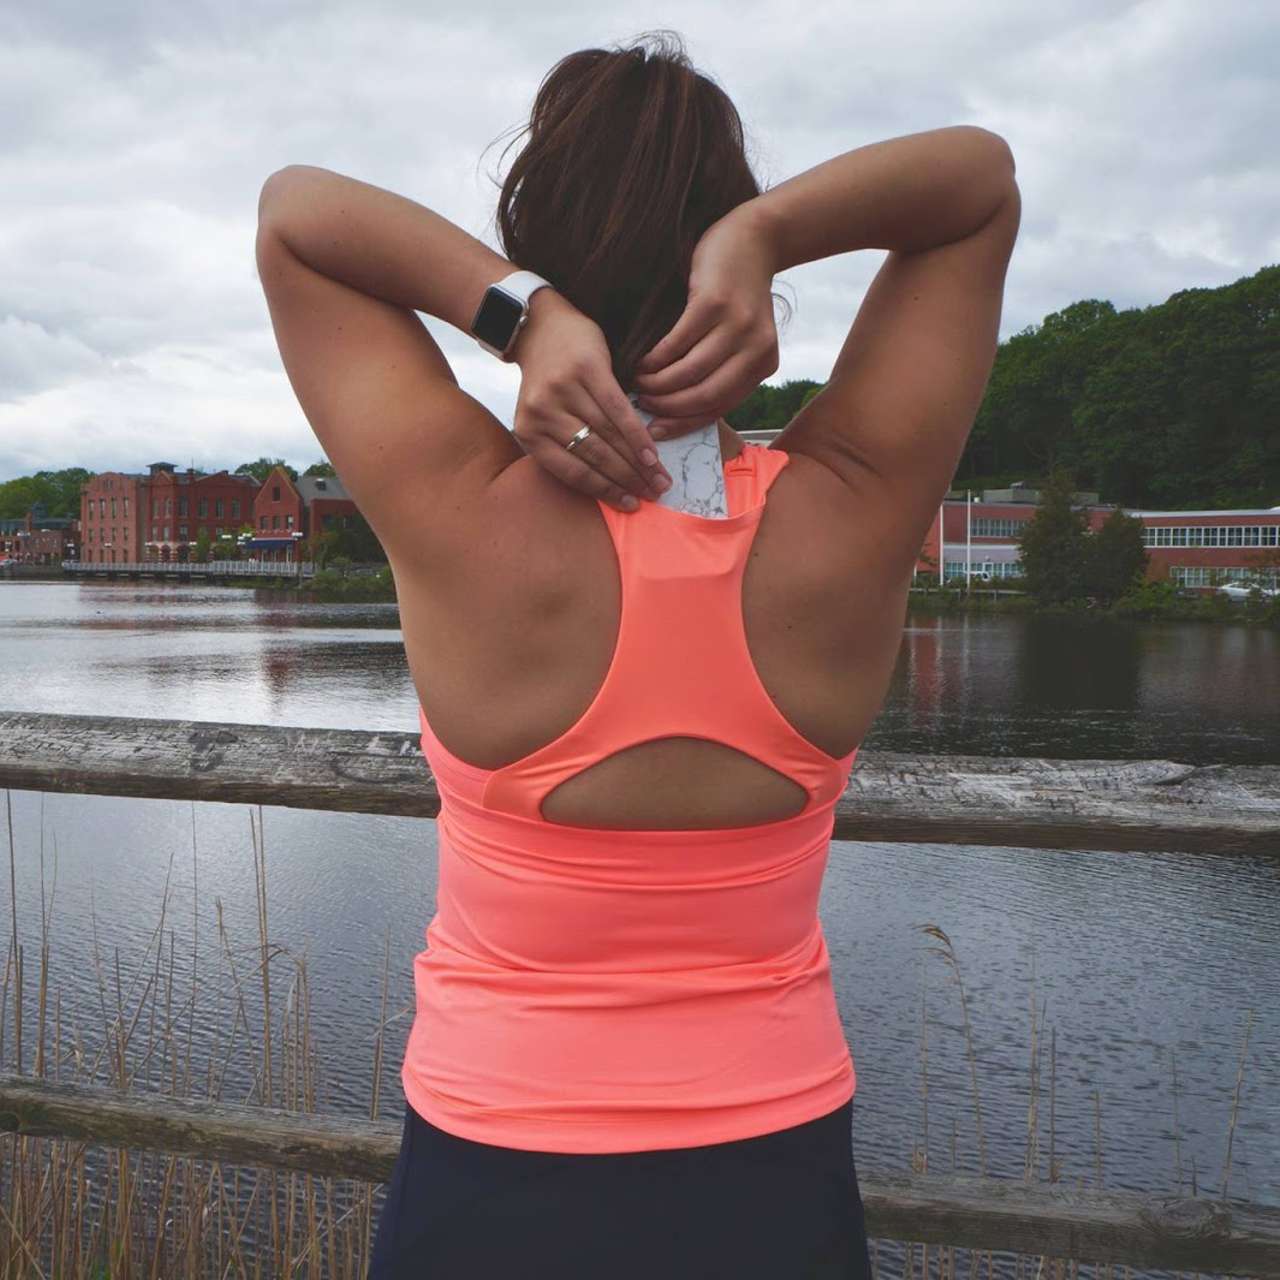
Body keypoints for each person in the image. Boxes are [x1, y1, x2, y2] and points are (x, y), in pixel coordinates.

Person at [255, 28, 1020, 1280]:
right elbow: (976, 182)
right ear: (724, 254)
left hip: (489, 1173)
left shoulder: (462, 512)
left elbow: (296, 217)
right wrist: (764, 239)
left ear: (533, 234)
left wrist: (521, 316)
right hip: (771, 1177)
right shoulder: (851, 508)